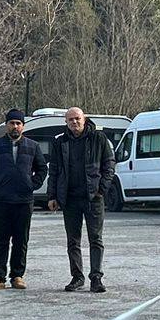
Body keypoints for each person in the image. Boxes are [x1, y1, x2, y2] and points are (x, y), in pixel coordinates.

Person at [46, 107, 115, 292]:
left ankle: (96, 278)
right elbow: (54, 170)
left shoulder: (98, 138)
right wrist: (52, 196)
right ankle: (77, 277)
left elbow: (109, 165)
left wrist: (102, 189)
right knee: (73, 241)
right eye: (70, 120)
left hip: (93, 198)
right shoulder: (60, 142)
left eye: (77, 118)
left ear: (84, 119)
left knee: (96, 239)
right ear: (66, 122)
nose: (74, 122)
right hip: (69, 199)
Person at [0, 109, 43, 290]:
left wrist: (31, 185)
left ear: (23, 126)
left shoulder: (33, 146)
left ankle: (17, 276)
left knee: (21, 240)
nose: (15, 126)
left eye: (18, 123)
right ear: (6, 125)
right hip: (2, 201)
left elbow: (42, 169)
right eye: (11, 123)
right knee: (0, 240)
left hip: (24, 202)